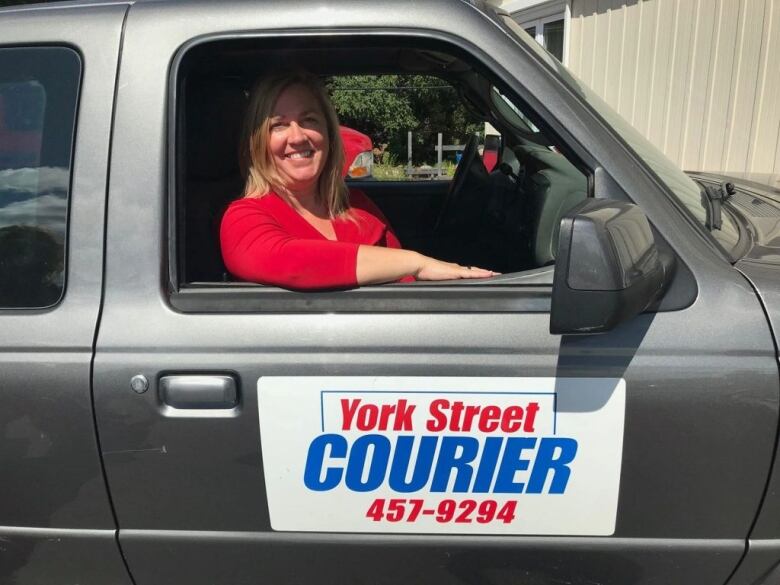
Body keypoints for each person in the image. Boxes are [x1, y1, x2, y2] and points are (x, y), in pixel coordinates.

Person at [220, 71, 498, 290]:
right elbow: (293, 262)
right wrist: (417, 263)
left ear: (329, 133)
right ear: (258, 144)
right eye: (278, 125)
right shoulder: (244, 217)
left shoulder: (356, 204)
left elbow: (405, 286)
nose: (298, 137)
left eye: (309, 120)